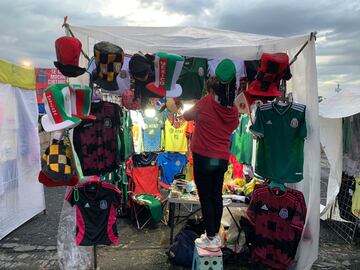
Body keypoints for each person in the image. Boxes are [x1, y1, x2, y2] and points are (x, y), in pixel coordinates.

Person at [183, 59, 239, 251]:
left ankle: (211, 236)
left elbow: (186, 116)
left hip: (203, 158)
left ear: (211, 90)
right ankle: (214, 236)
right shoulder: (232, 109)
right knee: (216, 196)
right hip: (221, 159)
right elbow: (233, 125)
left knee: (206, 198)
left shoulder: (206, 102)